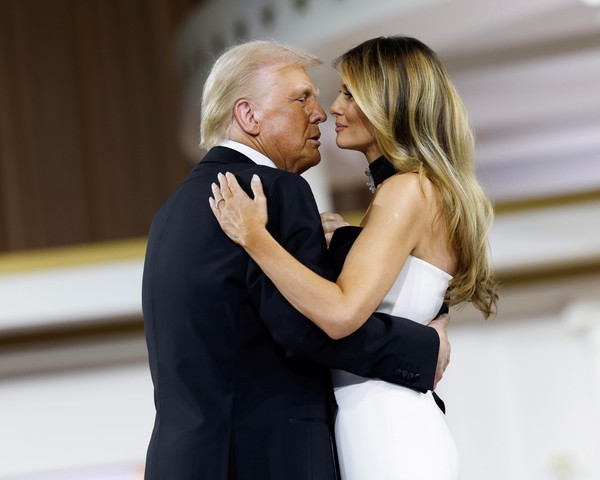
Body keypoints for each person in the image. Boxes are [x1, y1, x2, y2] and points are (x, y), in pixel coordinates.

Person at [142, 39, 451, 480]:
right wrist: (424, 346)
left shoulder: (171, 211)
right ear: (249, 116)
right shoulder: (274, 191)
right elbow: (310, 329)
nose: (321, 112)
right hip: (268, 461)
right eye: (302, 98)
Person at [209, 36, 498, 479]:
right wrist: (347, 237)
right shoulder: (410, 191)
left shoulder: (407, 190)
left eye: (348, 93)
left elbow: (342, 313)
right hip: (375, 420)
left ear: (390, 103)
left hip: (389, 431)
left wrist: (255, 238)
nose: (332, 109)